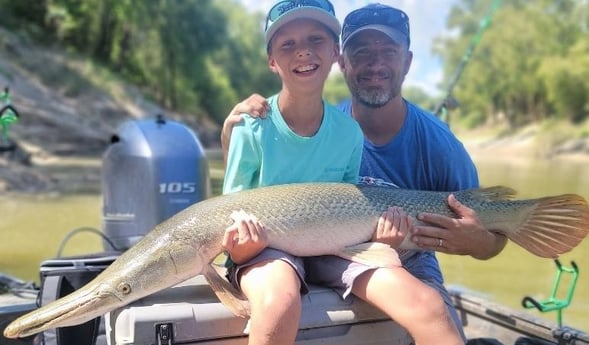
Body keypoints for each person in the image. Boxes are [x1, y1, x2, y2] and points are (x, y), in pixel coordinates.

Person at [221, 2, 509, 342]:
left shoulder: (439, 144)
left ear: (408, 61)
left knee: (432, 310)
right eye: (361, 52)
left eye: (388, 51)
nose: (375, 64)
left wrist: (480, 243)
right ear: (342, 61)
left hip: (405, 257)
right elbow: (247, 195)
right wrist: (231, 133)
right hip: (319, 249)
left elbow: (494, 233)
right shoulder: (315, 120)